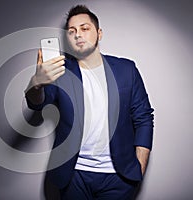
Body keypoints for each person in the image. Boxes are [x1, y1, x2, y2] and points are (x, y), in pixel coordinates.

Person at [25, 5, 154, 200]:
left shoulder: (126, 69)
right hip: (73, 175)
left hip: (118, 177)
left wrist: (140, 165)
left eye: (85, 29)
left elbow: (144, 118)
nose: (78, 35)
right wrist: (37, 83)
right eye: (72, 31)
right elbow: (37, 104)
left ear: (99, 33)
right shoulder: (60, 72)